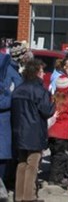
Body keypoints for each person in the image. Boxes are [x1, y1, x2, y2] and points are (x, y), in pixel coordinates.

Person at [11, 59, 55, 202]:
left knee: (22, 163)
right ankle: (29, 197)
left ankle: (19, 196)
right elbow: (46, 111)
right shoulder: (40, 90)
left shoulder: (18, 89)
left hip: (19, 130)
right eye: (42, 71)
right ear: (36, 72)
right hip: (34, 131)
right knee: (33, 164)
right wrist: (54, 103)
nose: (43, 74)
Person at [0, 53, 22, 192]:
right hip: (7, 120)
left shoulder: (8, 71)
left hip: (6, 120)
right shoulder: (11, 71)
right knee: (5, 154)